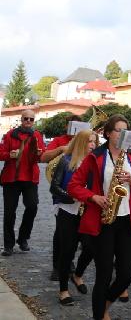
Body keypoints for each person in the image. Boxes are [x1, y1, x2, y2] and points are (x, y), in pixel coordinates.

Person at [67, 114, 131, 320]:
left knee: (126, 275)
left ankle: (104, 305)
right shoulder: (95, 157)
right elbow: (74, 186)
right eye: (118, 130)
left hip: (127, 221)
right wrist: (94, 197)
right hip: (103, 221)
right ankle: (98, 314)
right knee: (103, 276)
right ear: (108, 133)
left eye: (125, 131)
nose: (122, 134)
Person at [49, 129, 97, 305]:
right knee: (67, 251)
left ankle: (77, 275)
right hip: (68, 211)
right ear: (80, 143)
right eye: (89, 141)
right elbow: (54, 187)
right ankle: (63, 290)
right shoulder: (66, 160)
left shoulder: (95, 163)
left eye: (94, 142)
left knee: (91, 247)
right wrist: (73, 196)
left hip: (88, 212)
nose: (93, 145)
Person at [42, 114, 82, 279]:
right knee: (61, 231)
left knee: (76, 232)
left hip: (80, 194)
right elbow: (43, 157)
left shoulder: (86, 141)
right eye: (72, 125)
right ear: (67, 126)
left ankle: (68, 260)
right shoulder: (59, 140)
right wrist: (60, 149)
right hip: (61, 192)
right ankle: (57, 267)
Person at [0, 109, 45, 256]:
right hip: (11, 178)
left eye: (31, 119)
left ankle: (23, 238)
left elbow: (43, 154)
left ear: (34, 121)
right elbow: (1, 153)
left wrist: (39, 154)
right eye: (26, 118)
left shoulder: (37, 135)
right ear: (21, 119)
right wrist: (9, 155)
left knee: (32, 207)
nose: (28, 121)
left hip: (30, 178)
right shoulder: (9, 135)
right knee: (9, 212)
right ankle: (8, 245)